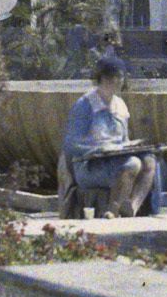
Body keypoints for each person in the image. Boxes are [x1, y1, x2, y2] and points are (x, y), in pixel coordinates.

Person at [62, 56, 156, 217]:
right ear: (100, 78)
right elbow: (70, 145)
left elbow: (123, 140)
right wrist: (99, 149)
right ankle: (112, 211)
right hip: (89, 166)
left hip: (116, 159)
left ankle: (132, 207)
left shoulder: (119, 104)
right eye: (111, 77)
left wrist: (132, 145)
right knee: (132, 164)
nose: (117, 81)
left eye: (120, 76)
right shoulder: (85, 105)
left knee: (149, 161)